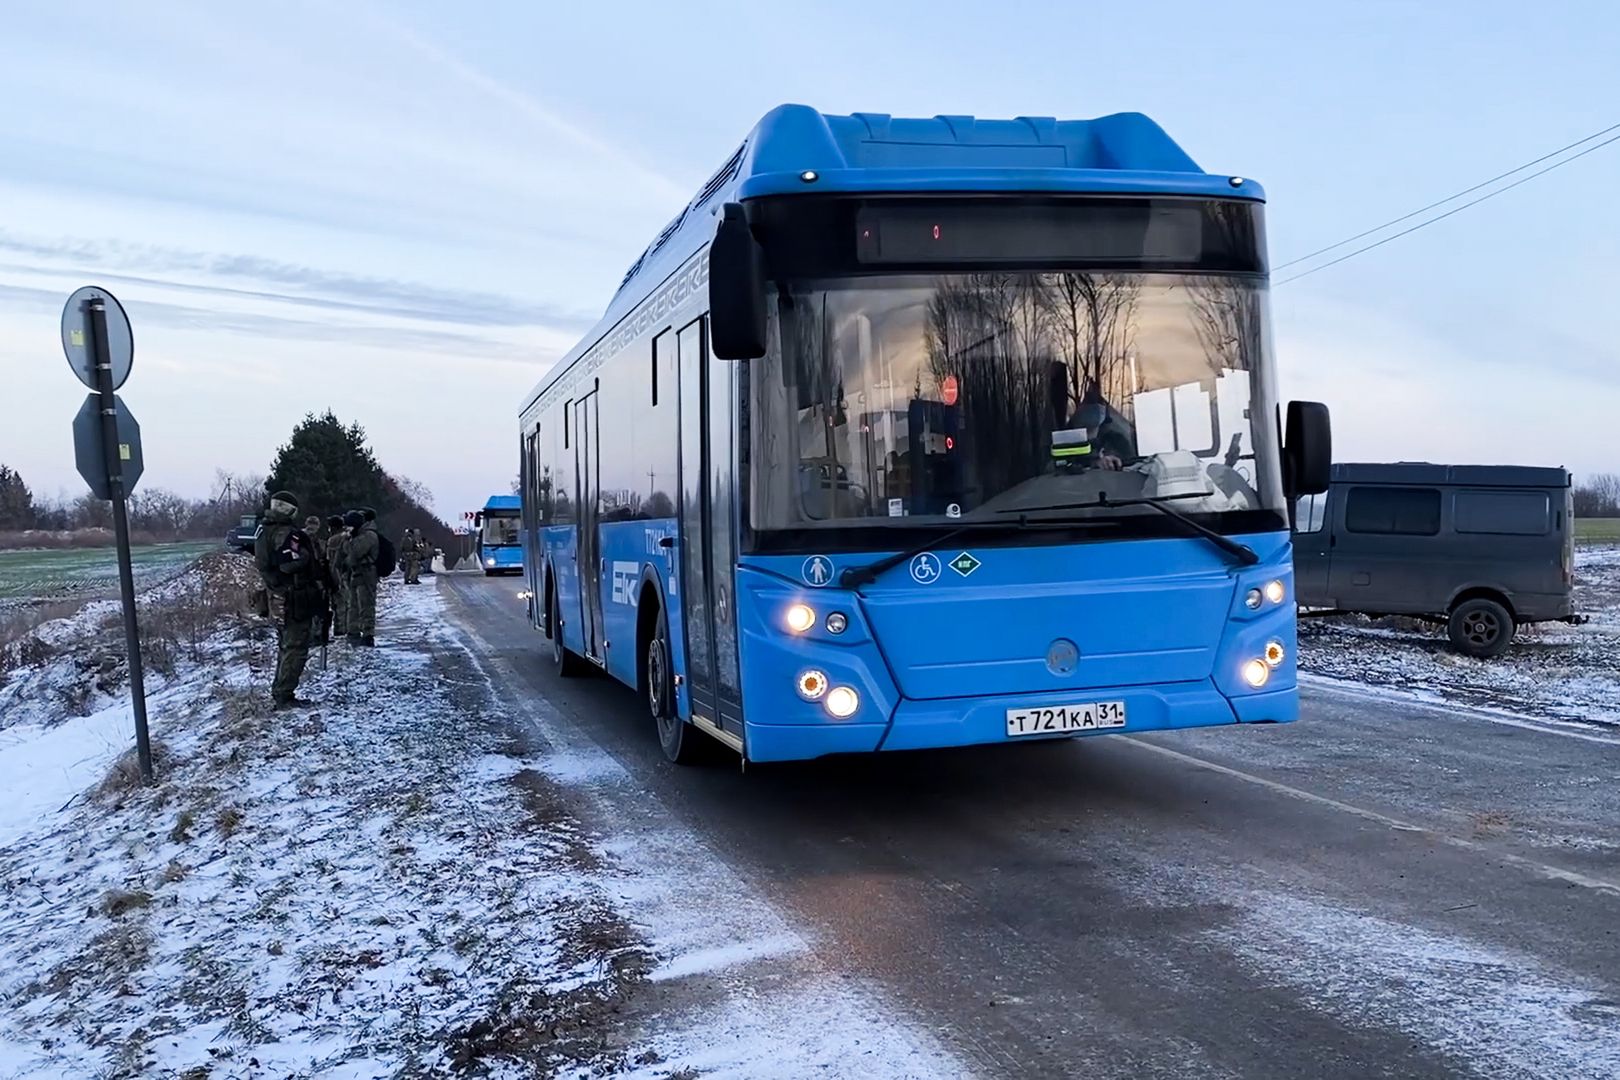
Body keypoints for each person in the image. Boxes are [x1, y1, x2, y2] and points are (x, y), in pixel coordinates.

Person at [253, 490, 324, 708]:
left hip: (276, 595)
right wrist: (305, 558)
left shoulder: (262, 530)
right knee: (295, 646)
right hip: (292, 595)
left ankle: (281, 691)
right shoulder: (286, 534)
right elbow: (288, 563)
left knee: (285, 645)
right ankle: (284, 695)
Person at [344, 508, 379, 646]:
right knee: (353, 604)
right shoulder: (360, 535)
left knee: (366, 604)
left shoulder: (368, 535)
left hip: (366, 573)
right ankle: (353, 630)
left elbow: (354, 554)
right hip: (357, 572)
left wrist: (349, 540)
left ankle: (368, 634)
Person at [324, 514, 350, 639]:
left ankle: (340, 630)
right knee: (344, 603)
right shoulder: (347, 537)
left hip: (337, 575)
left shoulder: (333, 540)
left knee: (339, 604)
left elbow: (331, 561)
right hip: (346, 574)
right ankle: (343, 628)